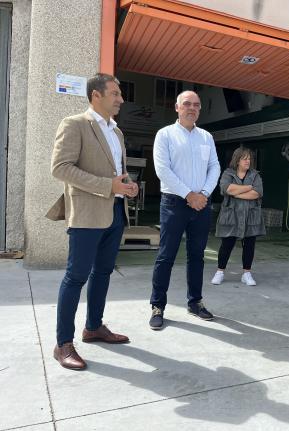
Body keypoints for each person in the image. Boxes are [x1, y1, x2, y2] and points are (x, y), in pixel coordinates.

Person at [46, 73, 139, 370]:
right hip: (86, 214)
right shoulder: (75, 124)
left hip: (114, 213)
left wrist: (128, 185)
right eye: (115, 93)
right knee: (76, 277)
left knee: (103, 273)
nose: (121, 99)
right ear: (95, 95)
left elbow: (116, 173)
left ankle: (94, 327)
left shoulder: (117, 132)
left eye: (120, 94)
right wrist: (106, 185)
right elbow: (60, 168)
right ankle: (63, 344)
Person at [149, 90, 220, 330]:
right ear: (177, 108)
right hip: (174, 203)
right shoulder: (165, 135)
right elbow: (162, 169)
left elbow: (215, 167)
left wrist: (204, 195)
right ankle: (157, 306)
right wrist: (189, 195)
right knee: (166, 256)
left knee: (197, 257)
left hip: (201, 203)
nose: (192, 108)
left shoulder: (206, 137)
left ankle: (195, 302)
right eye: (187, 104)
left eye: (196, 105)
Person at [211, 147, 265, 286]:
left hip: (250, 215)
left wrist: (236, 193)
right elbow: (226, 189)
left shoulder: (255, 175)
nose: (248, 161)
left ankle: (246, 274)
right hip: (231, 215)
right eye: (244, 158)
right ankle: (220, 272)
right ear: (237, 160)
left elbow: (257, 193)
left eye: (249, 158)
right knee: (227, 244)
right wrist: (248, 187)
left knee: (249, 245)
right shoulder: (228, 173)